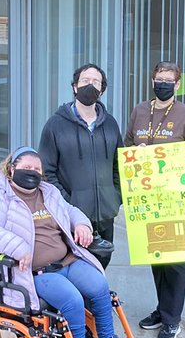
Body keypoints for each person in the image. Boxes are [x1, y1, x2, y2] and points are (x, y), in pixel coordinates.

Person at [0, 146, 141, 338]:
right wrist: (18, 247)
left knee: (99, 285)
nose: (32, 173)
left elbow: (70, 211)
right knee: (73, 301)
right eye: (26, 168)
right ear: (11, 168)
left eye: (36, 169)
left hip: (67, 260)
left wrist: (82, 225)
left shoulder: (48, 192)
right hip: (37, 272)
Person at [124, 60, 185, 338]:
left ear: (178, 84)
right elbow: (127, 147)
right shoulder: (139, 111)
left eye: (168, 80)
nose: (163, 84)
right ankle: (162, 310)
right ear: (152, 81)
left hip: (175, 200)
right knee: (156, 258)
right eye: (159, 79)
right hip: (147, 200)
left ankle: (173, 320)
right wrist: (137, 151)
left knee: (174, 262)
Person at [38, 63, 123, 268]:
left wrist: (115, 196)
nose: (90, 86)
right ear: (75, 86)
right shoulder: (55, 125)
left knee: (102, 264)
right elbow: (47, 172)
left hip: (105, 214)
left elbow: (118, 166)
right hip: (72, 216)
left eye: (96, 82)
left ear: (102, 90)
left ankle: (98, 300)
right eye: (85, 81)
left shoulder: (110, 124)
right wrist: (67, 204)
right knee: (76, 268)